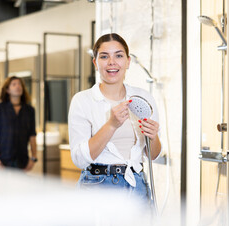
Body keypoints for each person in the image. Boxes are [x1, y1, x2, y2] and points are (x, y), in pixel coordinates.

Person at [68, 33, 162, 203]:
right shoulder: (82, 100)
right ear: (95, 63)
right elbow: (79, 160)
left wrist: (153, 136)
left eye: (118, 55)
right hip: (97, 187)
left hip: (137, 186)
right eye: (104, 56)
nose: (112, 62)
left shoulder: (143, 98)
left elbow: (153, 155)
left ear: (128, 62)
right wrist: (111, 125)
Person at [0, 76, 37, 171]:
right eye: (14, 84)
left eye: (20, 84)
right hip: (2, 162)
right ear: (7, 90)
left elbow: (32, 135)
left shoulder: (29, 110)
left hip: (22, 162)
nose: (18, 86)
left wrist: (33, 158)